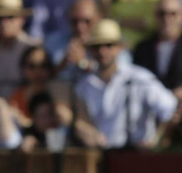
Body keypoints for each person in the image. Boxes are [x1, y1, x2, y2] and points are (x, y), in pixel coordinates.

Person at [71, 16, 177, 146]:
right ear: (90, 50)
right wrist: (89, 134)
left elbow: (170, 109)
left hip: (137, 157)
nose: (102, 51)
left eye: (108, 45)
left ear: (119, 47)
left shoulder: (140, 78)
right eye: (96, 46)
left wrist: (156, 141)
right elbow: (82, 122)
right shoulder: (84, 85)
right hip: (102, 158)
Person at [132, 0, 182, 89]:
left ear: (180, 16)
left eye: (173, 14)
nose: (167, 19)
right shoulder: (142, 48)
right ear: (155, 16)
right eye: (162, 14)